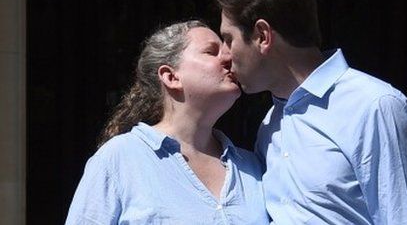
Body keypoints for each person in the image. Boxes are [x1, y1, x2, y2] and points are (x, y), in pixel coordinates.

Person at [214, 0, 407, 224]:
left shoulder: (375, 105)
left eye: (228, 39)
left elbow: (402, 217)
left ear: (262, 36)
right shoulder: (270, 124)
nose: (223, 55)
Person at [65, 20, 269, 224]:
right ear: (171, 77)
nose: (228, 56)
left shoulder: (252, 166)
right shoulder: (120, 158)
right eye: (211, 51)